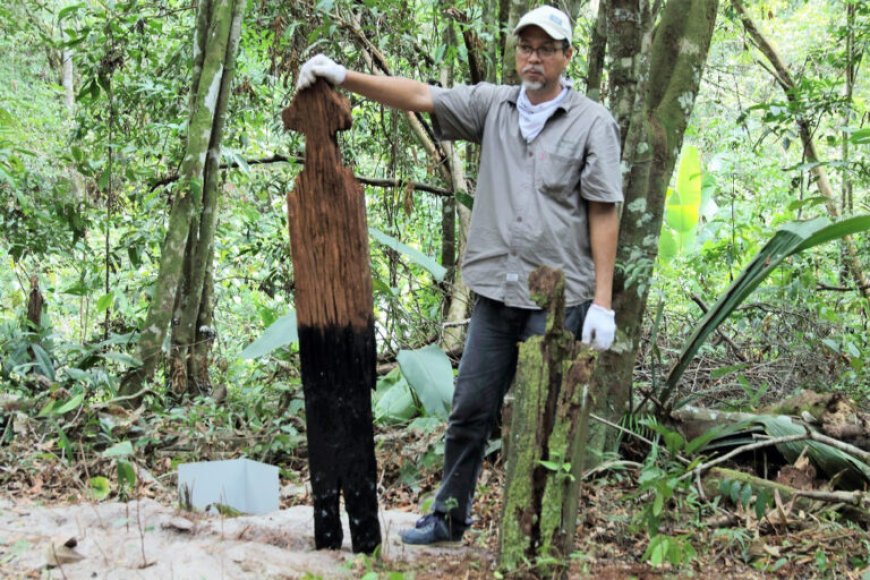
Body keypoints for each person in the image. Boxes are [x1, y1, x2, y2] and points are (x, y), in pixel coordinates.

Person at [296, 5, 622, 546]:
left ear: (568, 56)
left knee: (542, 423)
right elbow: (421, 95)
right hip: (495, 294)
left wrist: (603, 305)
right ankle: (448, 517)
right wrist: (343, 76)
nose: (534, 57)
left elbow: (604, 211)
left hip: (558, 302)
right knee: (469, 411)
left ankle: (536, 535)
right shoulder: (494, 105)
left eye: (546, 48)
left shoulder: (592, 122)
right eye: (526, 47)